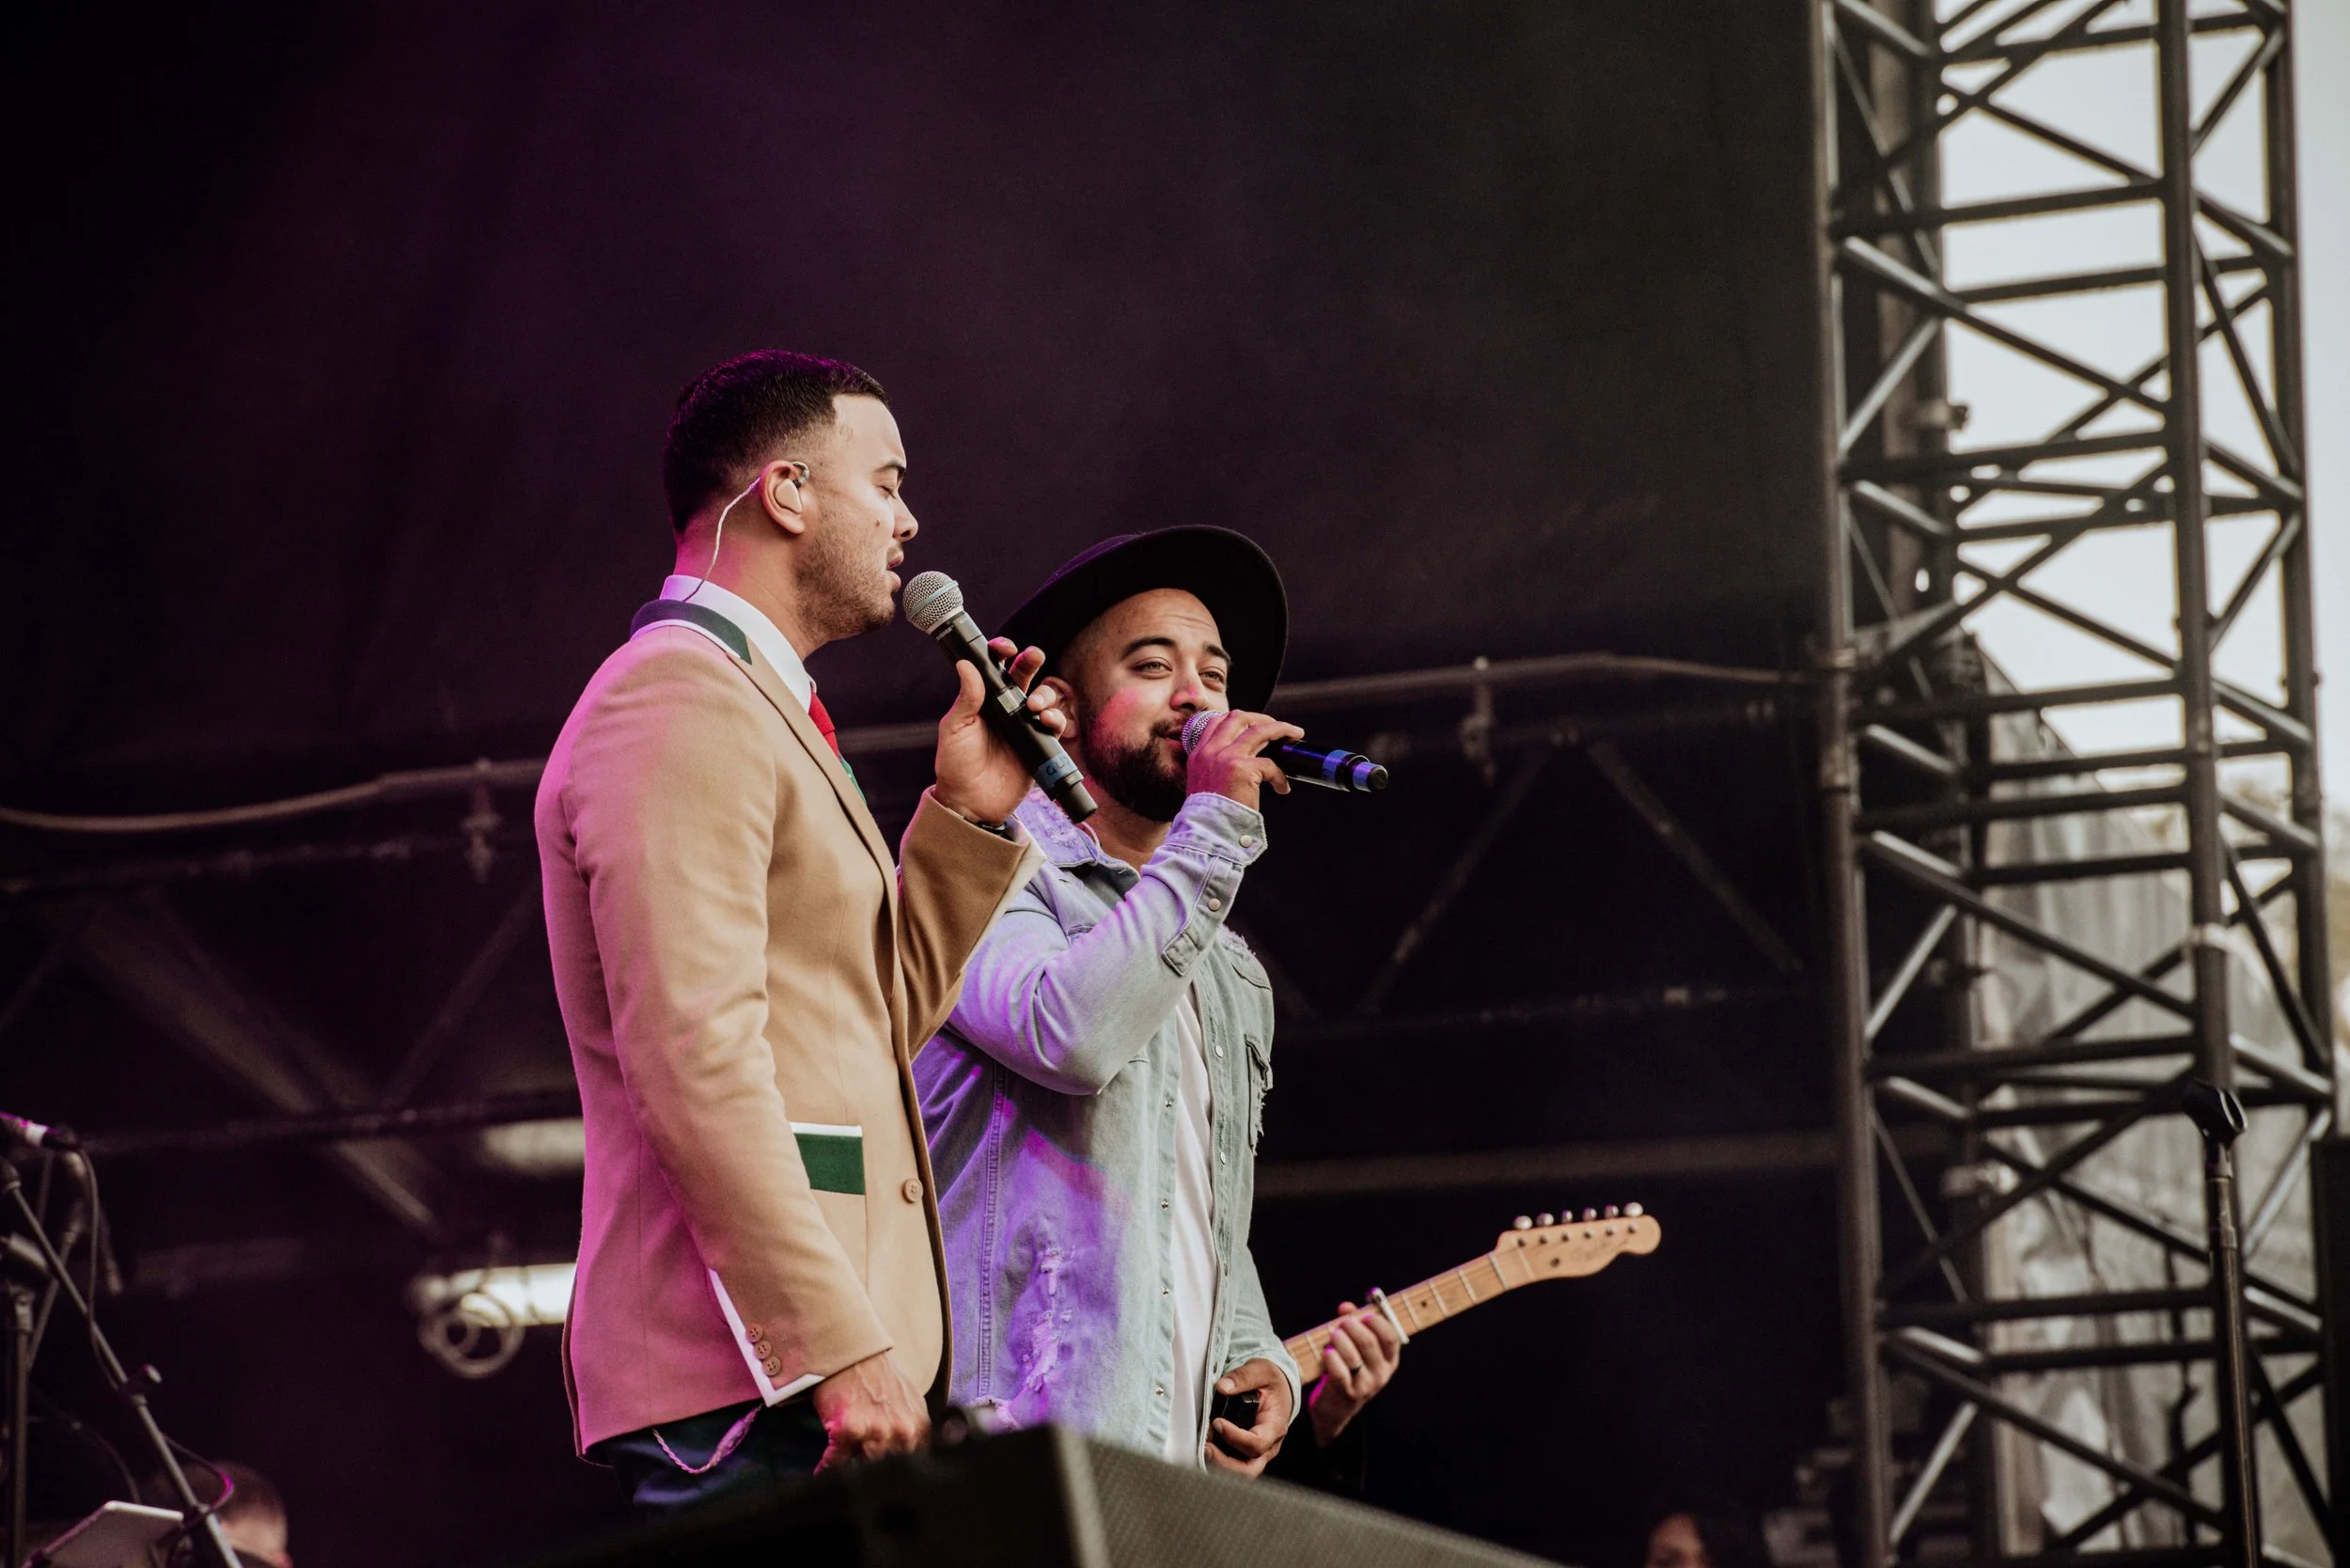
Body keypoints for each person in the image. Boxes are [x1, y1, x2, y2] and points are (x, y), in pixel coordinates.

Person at [537, 351, 1060, 1513]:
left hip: (805, 1383)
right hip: (754, 1386)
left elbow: (865, 1026)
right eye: (886, 482)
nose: (907, 520)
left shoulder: (759, 707)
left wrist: (970, 816)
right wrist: (834, 1344)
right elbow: (693, 1056)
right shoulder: (676, 695)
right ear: (785, 491)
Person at [916, 526, 1397, 1475]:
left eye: (1215, 676)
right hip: (1007, 1460)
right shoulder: (987, 870)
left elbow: (1195, 1202)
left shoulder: (1227, 968)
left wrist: (1254, 1350)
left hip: (1159, 1475)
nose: (1196, 697)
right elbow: (1070, 1035)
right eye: (1152, 666)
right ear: (1055, 704)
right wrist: (1217, 823)